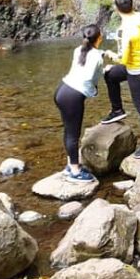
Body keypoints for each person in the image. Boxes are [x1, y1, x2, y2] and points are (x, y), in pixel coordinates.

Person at [101, 0, 140, 159]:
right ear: (131, 5)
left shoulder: (127, 30)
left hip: (138, 71)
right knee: (110, 75)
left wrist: (111, 55)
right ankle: (117, 110)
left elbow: (124, 59)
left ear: (116, 8)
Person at [54, 24, 103, 183]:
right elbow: (89, 79)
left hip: (62, 90)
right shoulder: (96, 56)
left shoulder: (78, 49)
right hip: (72, 96)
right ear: (99, 38)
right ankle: (75, 171)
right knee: (73, 135)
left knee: (68, 132)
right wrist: (93, 92)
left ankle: (70, 164)